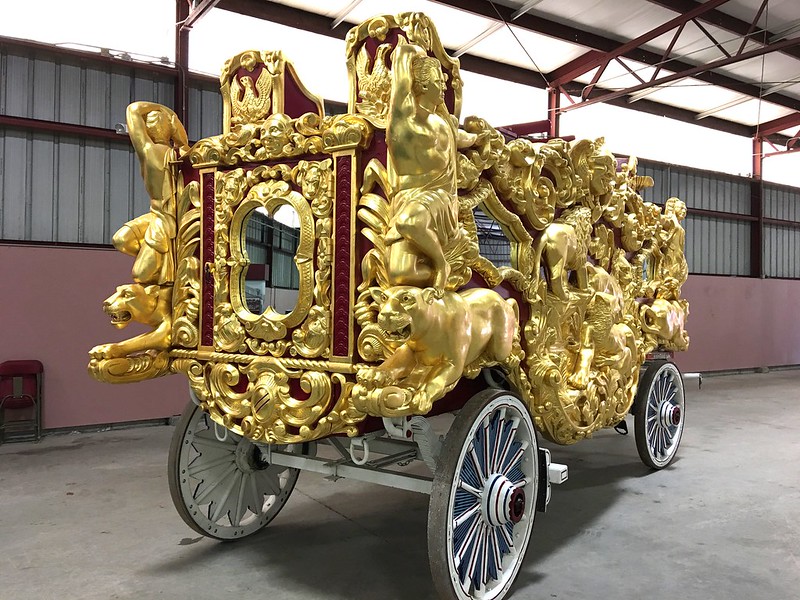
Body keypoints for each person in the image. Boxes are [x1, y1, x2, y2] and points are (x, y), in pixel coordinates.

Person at [385, 44, 468, 293]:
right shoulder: (403, 120)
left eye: (443, 81)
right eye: (436, 81)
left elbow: (460, 140)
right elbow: (402, 56)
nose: (443, 86)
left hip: (440, 197)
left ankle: (442, 264)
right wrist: (420, 45)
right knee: (401, 274)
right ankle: (442, 263)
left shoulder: (443, 123)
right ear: (420, 85)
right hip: (410, 197)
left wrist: (481, 140)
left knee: (410, 224)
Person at [113, 102, 189, 285]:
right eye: (151, 122)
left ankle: (161, 269)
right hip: (156, 213)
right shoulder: (152, 150)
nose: (153, 124)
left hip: (168, 218)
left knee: (140, 275)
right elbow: (132, 111)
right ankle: (161, 261)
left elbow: (133, 110)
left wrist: (168, 114)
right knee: (121, 239)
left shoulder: (170, 153)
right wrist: (168, 113)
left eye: (158, 121)